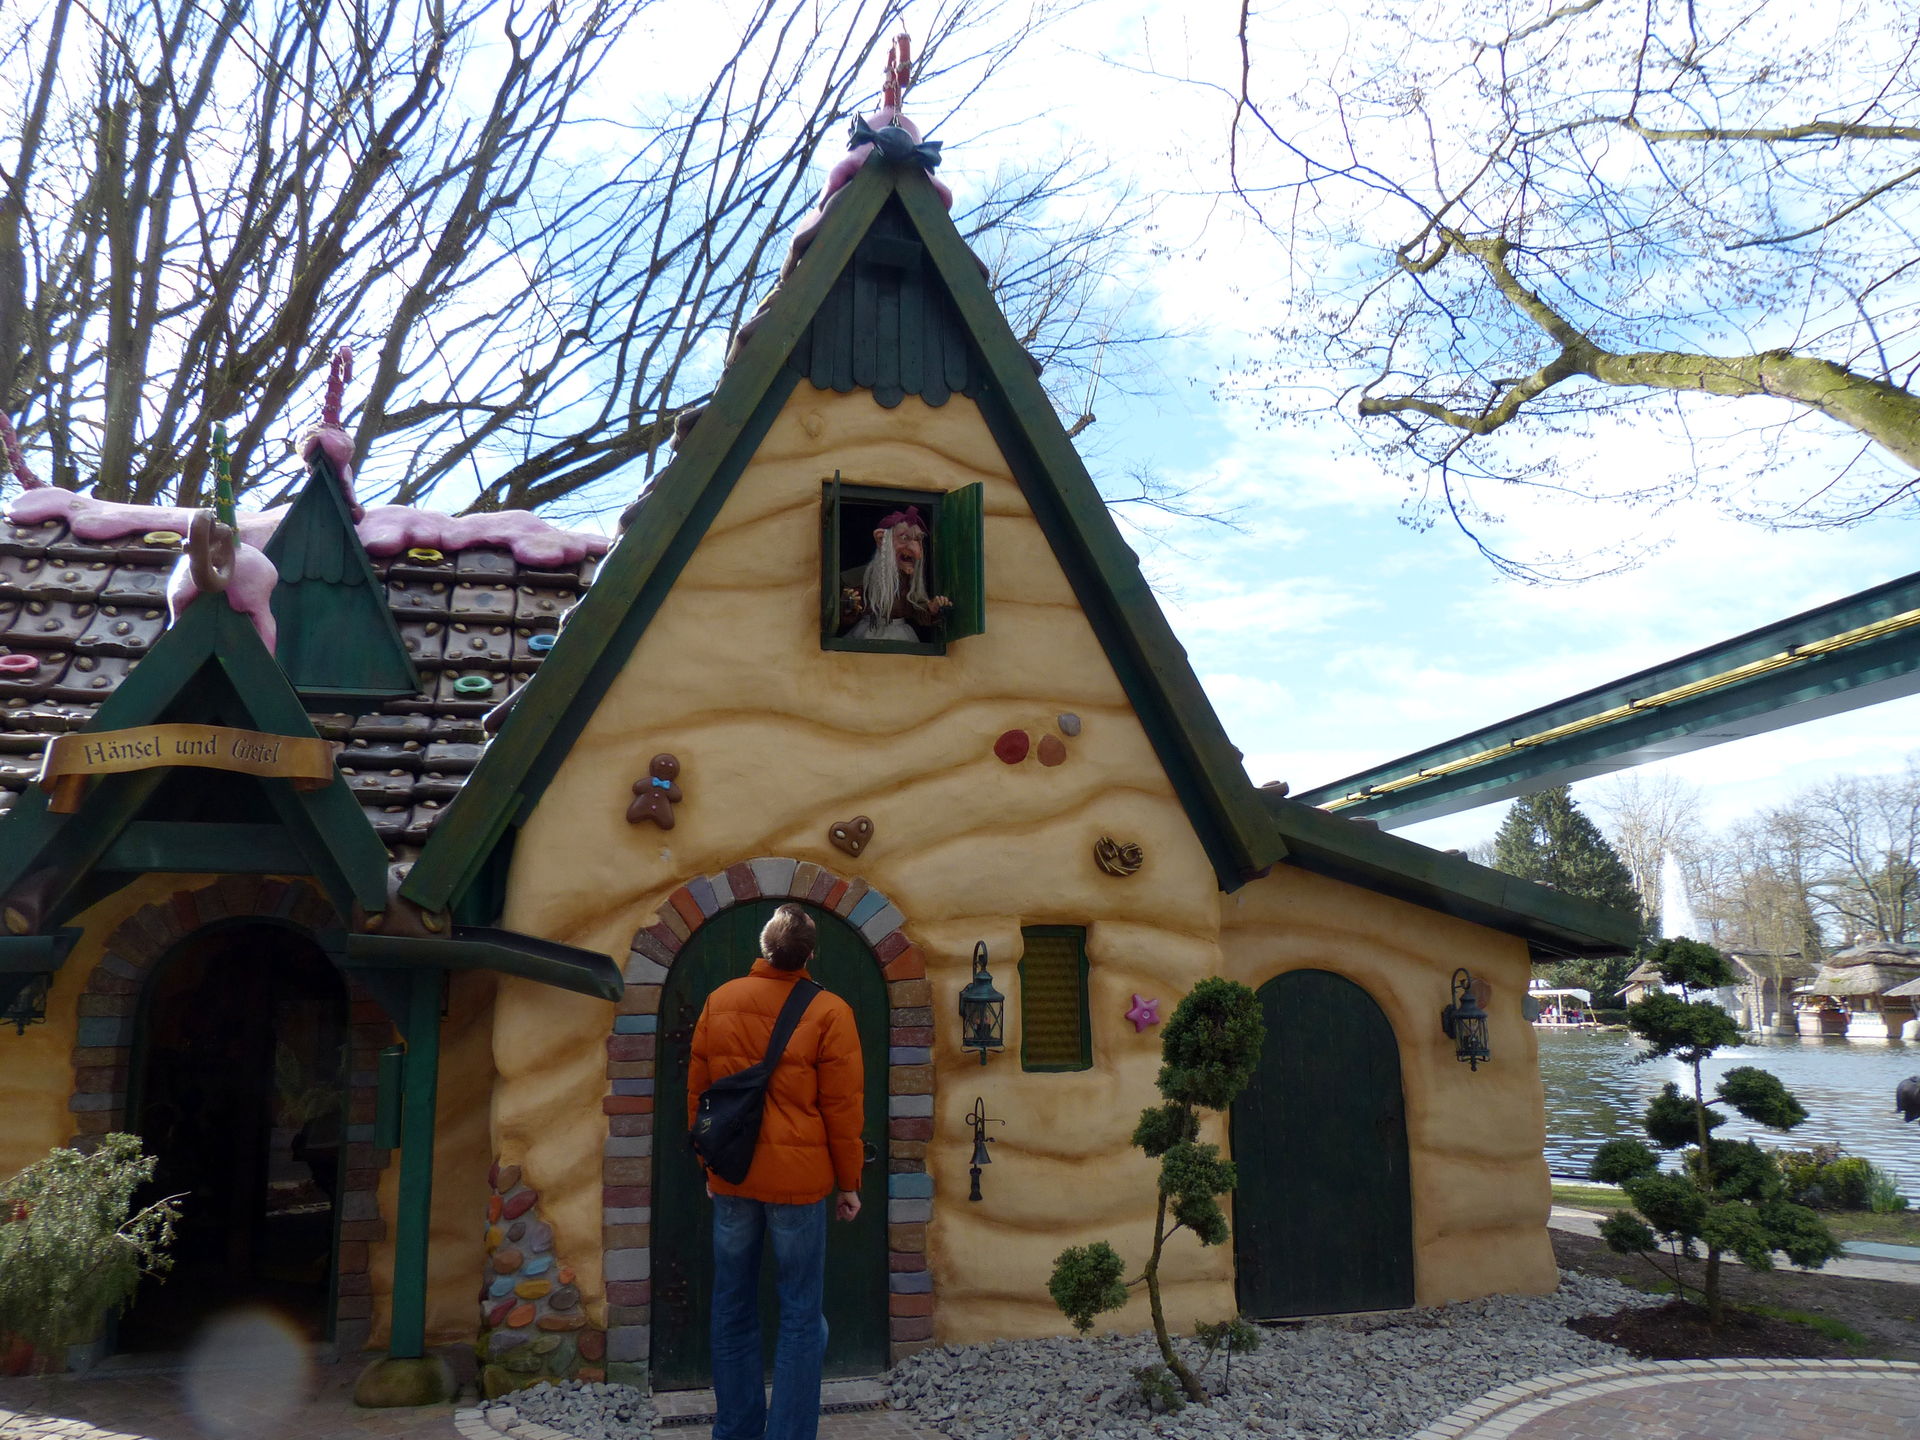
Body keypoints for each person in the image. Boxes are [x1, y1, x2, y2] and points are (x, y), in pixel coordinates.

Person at [688, 904, 865, 1440]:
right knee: (801, 1314)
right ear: (810, 955)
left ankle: (736, 1429)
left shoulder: (720, 1000)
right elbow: (843, 1110)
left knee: (731, 1305)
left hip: (733, 1176)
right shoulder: (831, 1011)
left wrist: (708, 1164)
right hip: (799, 1183)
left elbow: (700, 1097)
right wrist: (849, 1183)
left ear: (763, 947)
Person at [837, 506, 951, 640]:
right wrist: (848, 604)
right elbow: (847, 612)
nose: (914, 548)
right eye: (904, 537)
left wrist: (931, 609)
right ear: (881, 539)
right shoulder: (862, 577)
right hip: (869, 631)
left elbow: (918, 611)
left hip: (900, 634)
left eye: (918, 539)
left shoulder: (909, 582)